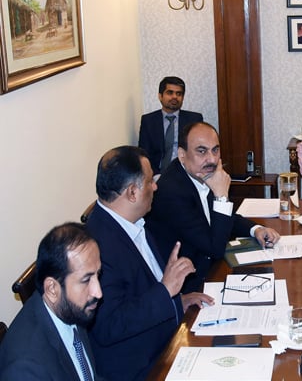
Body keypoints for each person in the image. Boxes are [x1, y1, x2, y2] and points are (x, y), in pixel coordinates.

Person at [86, 146, 213, 381]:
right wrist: (166, 291)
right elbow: (109, 326)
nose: (155, 186)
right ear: (132, 192)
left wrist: (177, 301)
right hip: (142, 365)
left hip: (166, 336)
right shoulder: (97, 247)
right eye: (149, 181)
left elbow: (144, 290)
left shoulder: (133, 220)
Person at [146, 122, 280, 293]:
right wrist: (221, 195)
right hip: (189, 285)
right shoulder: (172, 192)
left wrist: (255, 229)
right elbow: (214, 248)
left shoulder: (198, 172)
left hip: (209, 265)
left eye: (215, 150)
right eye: (201, 151)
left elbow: (221, 216)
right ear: (181, 154)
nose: (211, 159)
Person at [0, 223, 102, 381]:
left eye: (98, 275)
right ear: (52, 289)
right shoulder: (25, 369)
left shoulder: (69, 307)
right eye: (86, 280)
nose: (98, 292)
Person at [138, 76, 203, 175]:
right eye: (170, 93)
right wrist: (154, 176)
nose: (174, 97)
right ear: (160, 96)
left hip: (186, 173)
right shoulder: (148, 121)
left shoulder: (194, 119)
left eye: (179, 94)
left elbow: (199, 151)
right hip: (158, 174)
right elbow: (143, 154)